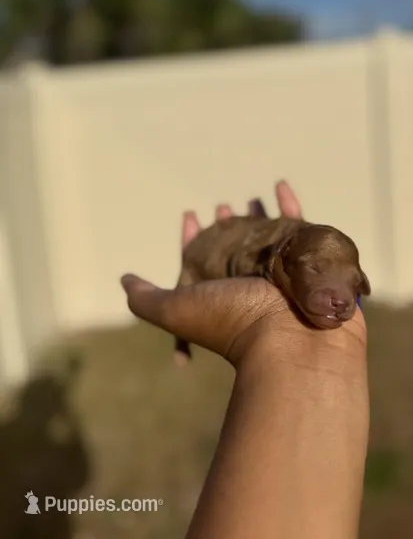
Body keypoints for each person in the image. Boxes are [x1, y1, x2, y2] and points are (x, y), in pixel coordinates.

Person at [120, 180, 369, 539]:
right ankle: (182, 344)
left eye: (354, 285)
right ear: (281, 258)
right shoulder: (245, 254)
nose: (344, 300)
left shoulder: (308, 268)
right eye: (315, 269)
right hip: (212, 256)